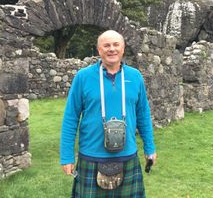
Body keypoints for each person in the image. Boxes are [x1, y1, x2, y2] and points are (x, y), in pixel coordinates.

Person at [60, 30, 157, 197]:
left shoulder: (135, 76)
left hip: (127, 155)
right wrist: (66, 156)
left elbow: (143, 115)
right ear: (99, 50)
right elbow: (71, 118)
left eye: (116, 44)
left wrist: (150, 147)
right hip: (91, 156)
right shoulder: (83, 77)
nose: (111, 49)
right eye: (106, 45)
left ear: (123, 48)